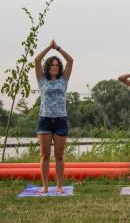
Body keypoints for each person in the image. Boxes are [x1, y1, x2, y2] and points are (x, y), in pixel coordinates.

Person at [34, 40, 73, 193]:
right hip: (44, 120)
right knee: (45, 155)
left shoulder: (64, 79)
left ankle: (59, 185)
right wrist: (49, 48)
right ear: (48, 67)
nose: (55, 67)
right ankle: (45, 186)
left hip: (61, 120)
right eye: (52, 64)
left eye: (57, 65)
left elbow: (70, 60)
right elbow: (37, 60)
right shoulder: (41, 79)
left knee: (59, 155)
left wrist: (58, 48)